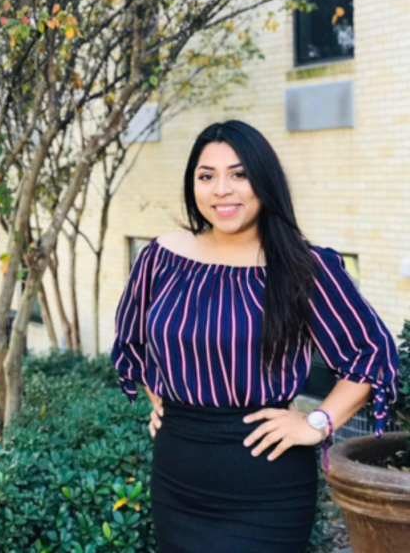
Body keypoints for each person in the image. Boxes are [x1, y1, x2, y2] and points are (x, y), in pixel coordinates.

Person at [110, 120, 400, 553]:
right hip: (177, 476)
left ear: (264, 180)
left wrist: (317, 423)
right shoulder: (161, 256)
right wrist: (161, 397)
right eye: (206, 176)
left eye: (239, 174)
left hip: (266, 485)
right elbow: (133, 340)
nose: (221, 189)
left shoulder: (305, 266)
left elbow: (371, 354)